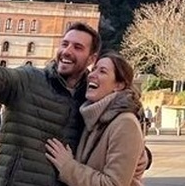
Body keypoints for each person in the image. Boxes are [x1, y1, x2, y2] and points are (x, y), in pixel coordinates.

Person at [0, 7, 100, 186]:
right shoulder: (27, 79)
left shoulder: (93, 98)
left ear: (91, 59)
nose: (67, 51)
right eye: (64, 44)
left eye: (78, 47)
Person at [45, 51, 147, 186]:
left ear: (119, 85)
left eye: (102, 71)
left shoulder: (125, 123)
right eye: (94, 69)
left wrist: (68, 167)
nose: (92, 75)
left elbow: (113, 184)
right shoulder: (93, 117)